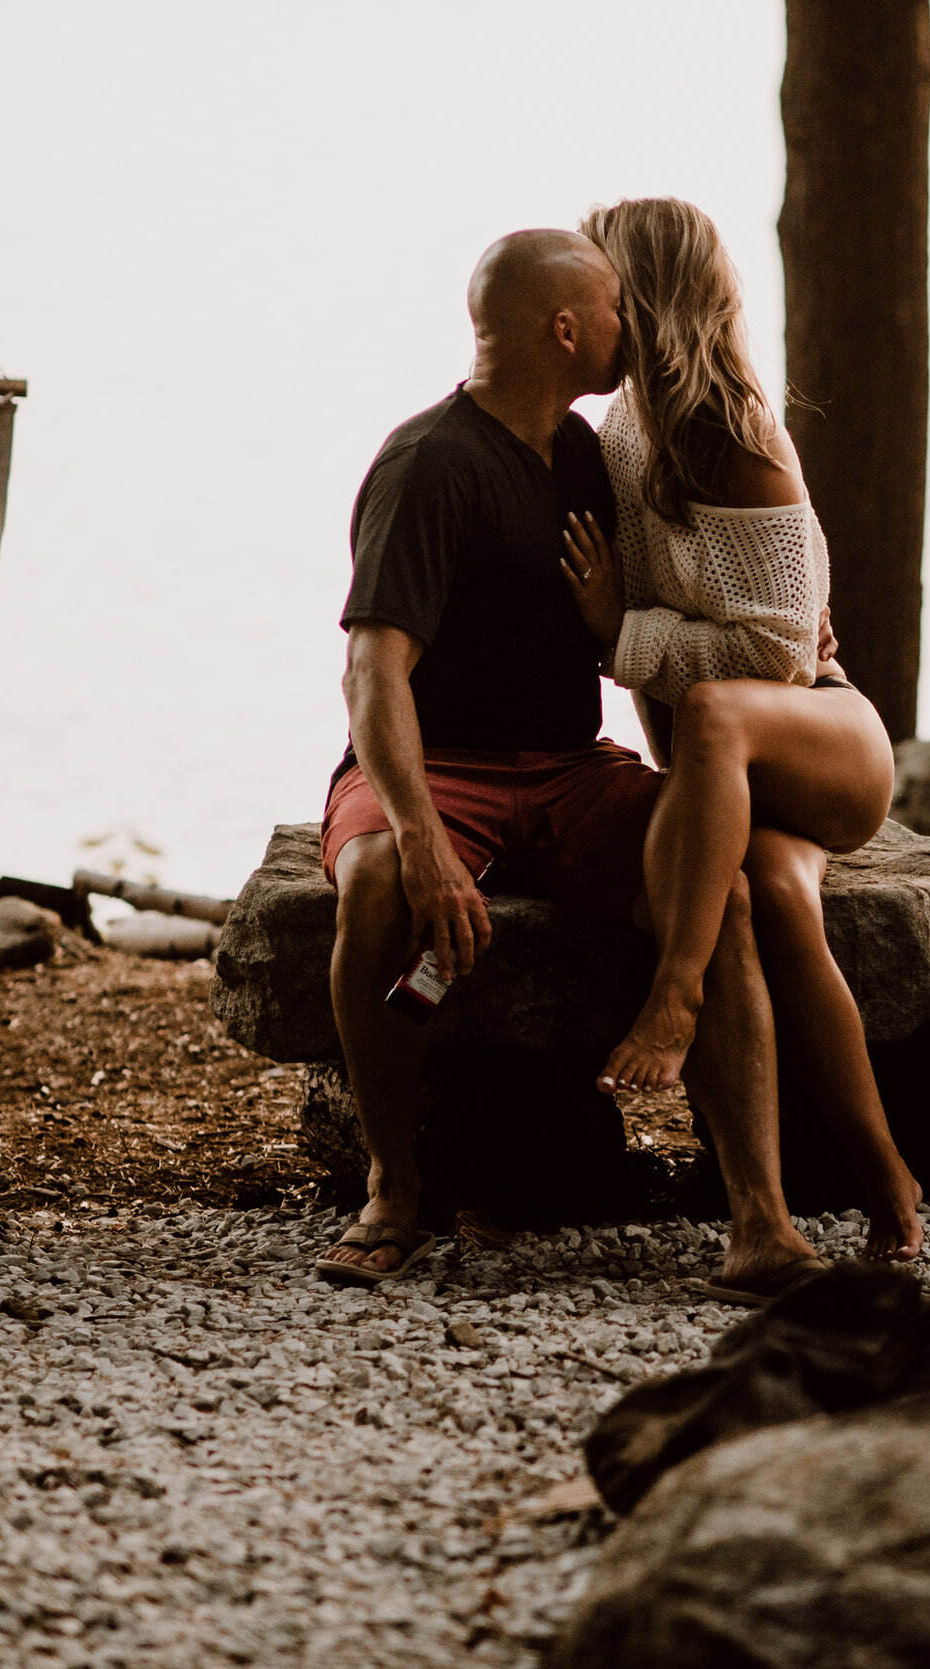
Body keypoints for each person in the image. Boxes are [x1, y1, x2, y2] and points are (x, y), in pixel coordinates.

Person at [312, 228, 827, 1295]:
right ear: (565, 329)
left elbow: (708, 559)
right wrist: (414, 834)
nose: (630, 329)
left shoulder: (594, 452)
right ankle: (393, 1184)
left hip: (568, 767)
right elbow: (373, 677)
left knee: (712, 889)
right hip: (439, 765)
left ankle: (760, 1220)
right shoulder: (429, 465)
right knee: (370, 891)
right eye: (614, 313)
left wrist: (800, 629)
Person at [558, 196, 923, 1264]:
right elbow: (647, 647)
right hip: (731, 763)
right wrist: (642, 675)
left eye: (603, 283)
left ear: (647, 296)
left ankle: (674, 994)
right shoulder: (624, 432)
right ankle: (887, 1178)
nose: (588, 303)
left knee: (719, 702)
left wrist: (623, 631)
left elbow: (778, 658)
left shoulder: (733, 437)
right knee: (768, 900)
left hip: (825, 740)